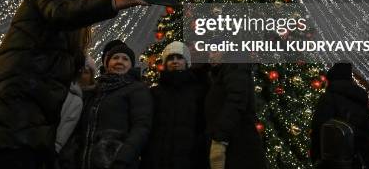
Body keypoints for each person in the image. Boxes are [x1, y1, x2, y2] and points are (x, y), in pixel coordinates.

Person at [0, 0, 158, 169]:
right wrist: (116, 2)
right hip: (13, 117)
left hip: (30, 124)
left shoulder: (73, 28)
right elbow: (62, 14)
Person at [77, 43, 153, 169]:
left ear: (131, 65)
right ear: (107, 63)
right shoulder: (95, 89)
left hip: (116, 163)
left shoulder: (137, 89)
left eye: (125, 59)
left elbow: (141, 127)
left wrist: (122, 158)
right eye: (115, 58)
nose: (119, 61)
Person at [141, 41, 209, 169]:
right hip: (158, 159)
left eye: (179, 58)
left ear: (186, 62)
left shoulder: (199, 92)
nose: (175, 61)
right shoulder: (155, 93)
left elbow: (202, 126)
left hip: (190, 159)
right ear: (165, 63)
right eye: (171, 58)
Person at [309, 63, 369, 169]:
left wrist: (316, 157)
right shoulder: (359, 99)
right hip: (363, 158)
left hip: (337, 161)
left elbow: (318, 129)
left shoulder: (328, 99)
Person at [205, 61, 266, 169]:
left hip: (239, 145)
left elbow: (235, 102)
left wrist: (219, 139)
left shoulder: (235, 66)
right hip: (234, 143)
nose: (211, 56)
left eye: (215, 50)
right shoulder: (220, 72)